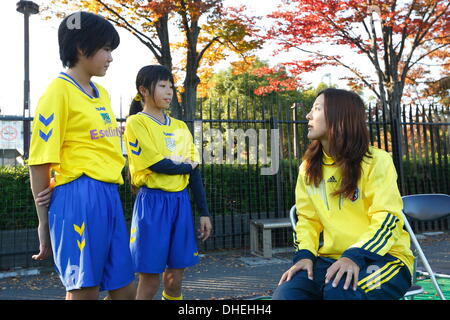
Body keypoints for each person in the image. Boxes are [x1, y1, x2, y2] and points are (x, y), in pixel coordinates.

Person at [28, 12, 135, 300]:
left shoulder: (100, 93)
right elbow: (39, 160)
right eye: (105, 49)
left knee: (125, 288)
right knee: (85, 289)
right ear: (79, 48)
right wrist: (43, 223)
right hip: (79, 196)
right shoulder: (57, 92)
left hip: (109, 194)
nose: (110, 57)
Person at [272, 88, 414, 300]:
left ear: (339, 117)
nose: (308, 116)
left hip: (384, 259)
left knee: (341, 291)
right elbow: (307, 220)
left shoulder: (377, 161)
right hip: (330, 259)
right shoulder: (308, 167)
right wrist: (304, 255)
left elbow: (387, 217)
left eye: (316, 109)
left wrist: (354, 256)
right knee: (287, 294)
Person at [124, 65, 213, 300]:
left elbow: (195, 173)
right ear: (143, 90)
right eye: (162, 86)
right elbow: (157, 164)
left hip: (180, 203)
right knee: (150, 281)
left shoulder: (180, 127)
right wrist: (185, 165)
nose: (169, 91)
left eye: (171, 86)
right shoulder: (136, 123)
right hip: (152, 204)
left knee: (175, 281)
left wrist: (204, 212)